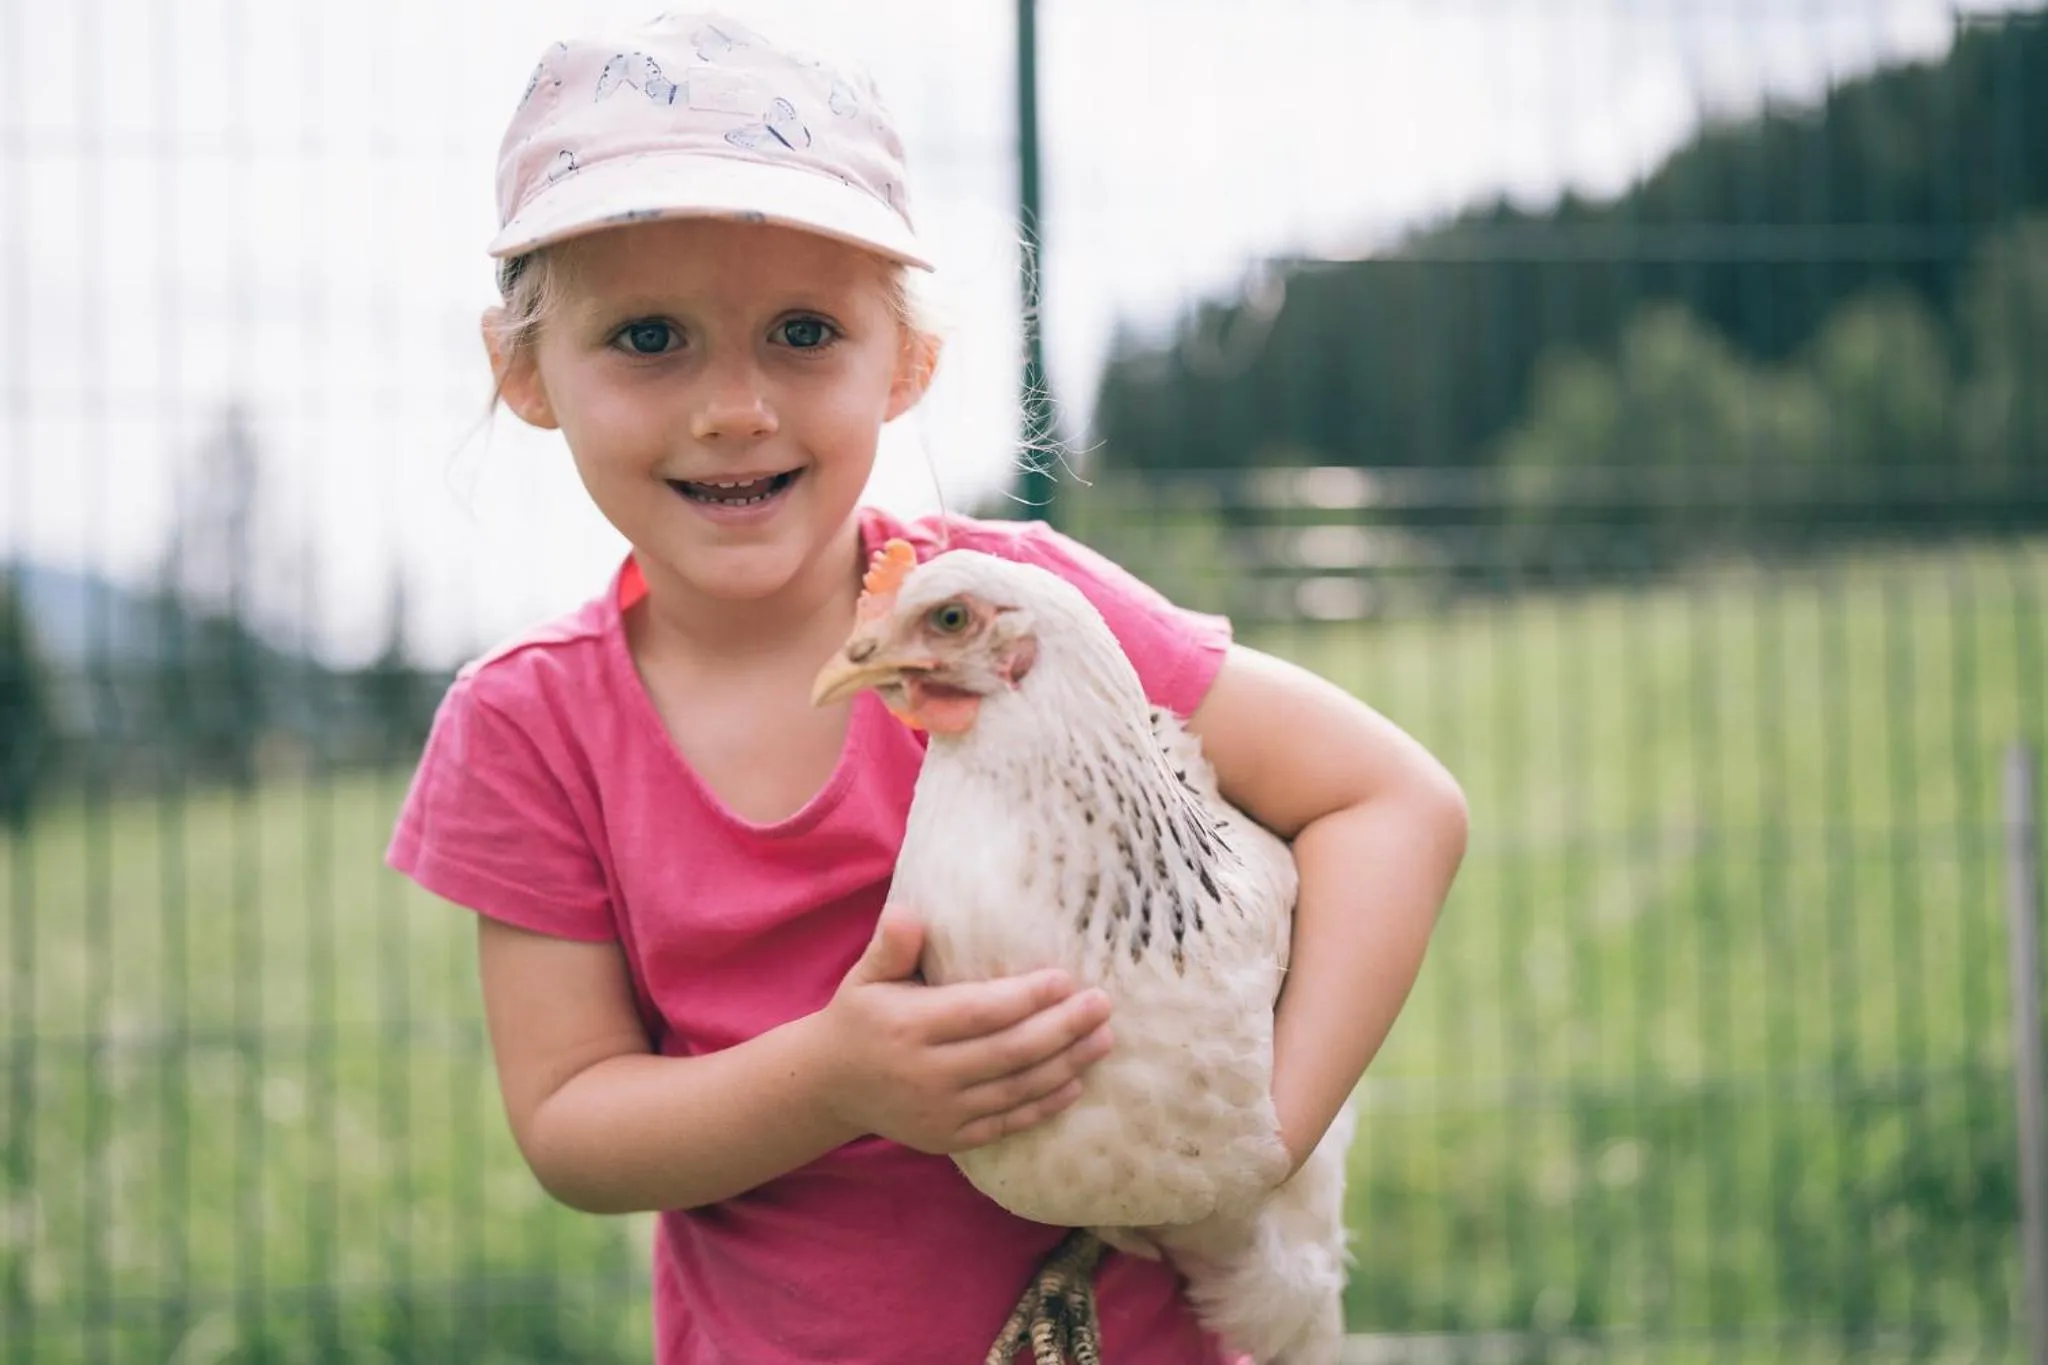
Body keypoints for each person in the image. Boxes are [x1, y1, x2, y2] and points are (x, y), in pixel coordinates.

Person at [388, 10, 1469, 1363]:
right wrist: (838, 1080)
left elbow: (1394, 804)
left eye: (802, 331)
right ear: (523, 371)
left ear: (904, 365)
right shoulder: (531, 728)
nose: (735, 407)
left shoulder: (1018, 618)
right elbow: (571, 1123)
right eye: (650, 336)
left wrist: (1265, 1137)